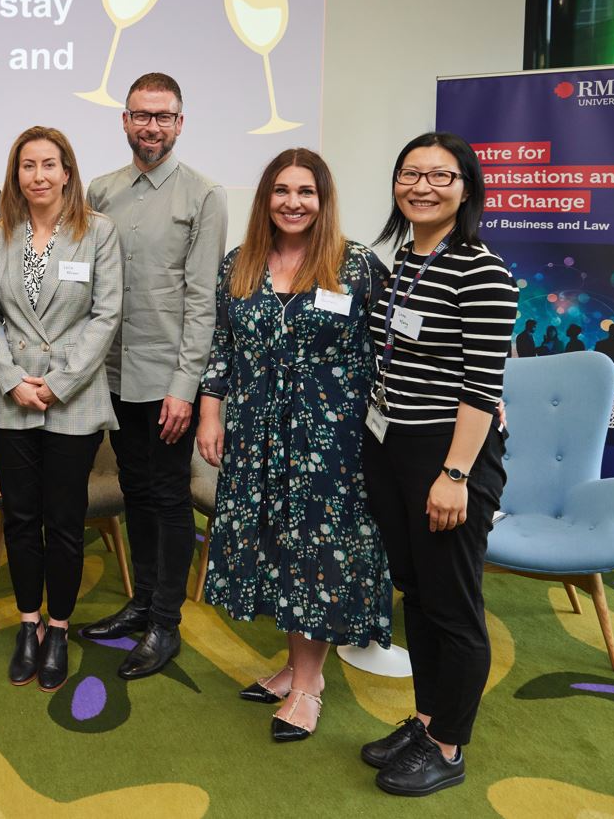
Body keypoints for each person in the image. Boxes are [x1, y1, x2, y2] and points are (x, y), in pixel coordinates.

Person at [195, 148, 392, 742]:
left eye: (306, 191)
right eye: (282, 190)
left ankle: (310, 686)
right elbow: (222, 347)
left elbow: (389, 350)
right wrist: (211, 410)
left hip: (330, 440)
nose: (293, 202)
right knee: (277, 545)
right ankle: (293, 666)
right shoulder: (243, 263)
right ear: (266, 198)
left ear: (324, 198)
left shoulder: (354, 266)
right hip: (256, 432)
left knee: (317, 556)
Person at [360, 132, 518, 796]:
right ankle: (427, 719)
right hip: (391, 443)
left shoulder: (482, 269)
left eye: (439, 175)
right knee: (418, 593)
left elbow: (482, 387)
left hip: (445, 453)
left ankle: (449, 745)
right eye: (409, 173)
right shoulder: (403, 259)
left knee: (454, 604)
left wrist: (455, 473)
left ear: (466, 186)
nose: (421, 186)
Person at [78, 73, 228, 680]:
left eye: (163, 116)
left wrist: (185, 387)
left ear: (181, 122)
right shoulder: (100, 190)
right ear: (124, 120)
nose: (152, 127)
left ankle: (166, 622)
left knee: (168, 498)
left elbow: (203, 299)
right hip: (109, 372)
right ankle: (141, 601)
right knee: (136, 490)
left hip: (167, 378)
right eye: (141, 115)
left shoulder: (204, 195)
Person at [0, 126, 121, 693]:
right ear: (16, 174)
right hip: (10, 399)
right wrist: (13, 380)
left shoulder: (98, 233)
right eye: (27, 165)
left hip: (74, 400)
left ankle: (58, 629)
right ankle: (27, 624)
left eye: (49, 165)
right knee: (18, 518)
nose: (38, 176)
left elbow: (105, 315)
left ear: (68, 172)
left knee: (63, 522)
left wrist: (57, 384)